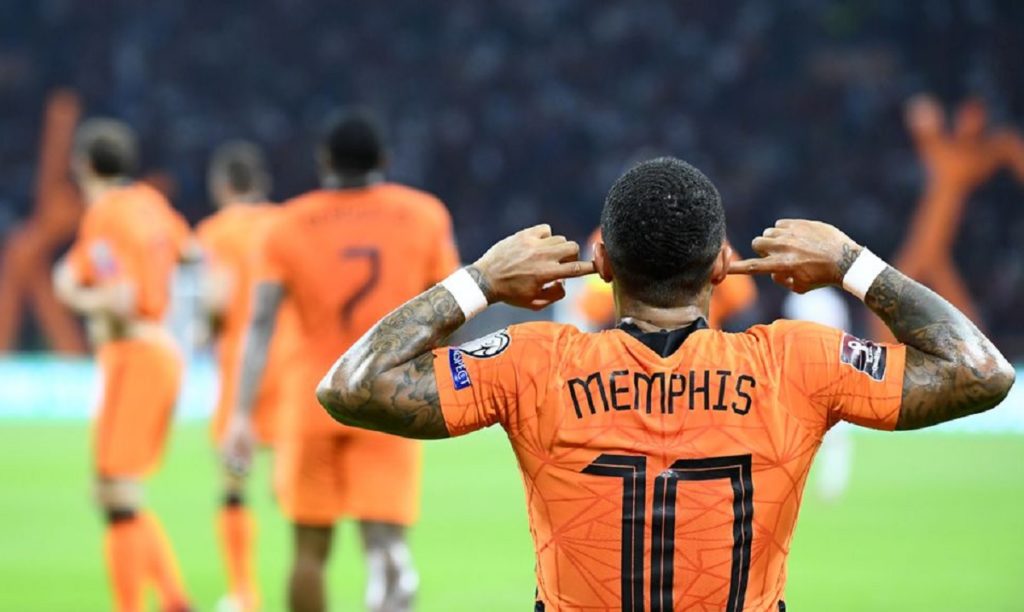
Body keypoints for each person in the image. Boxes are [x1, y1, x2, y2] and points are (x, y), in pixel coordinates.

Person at [316, 157, 1014, 610]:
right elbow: (979, 371)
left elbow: (353, 385)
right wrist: (850, 262)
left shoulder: (535, 365)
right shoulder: (794, 363)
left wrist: (480, 281)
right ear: (722, 267)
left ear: (602, 264)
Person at [222, 109, 460, 612]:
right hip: (391, 396)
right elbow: (452, 308)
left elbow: (259, 324)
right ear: (384, 160)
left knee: (308, 551)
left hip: (312, 399)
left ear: (324, 161)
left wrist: (241, 413)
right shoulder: (423, 216)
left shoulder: (287, 224)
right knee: (387, 546)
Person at [53, 118, 194, 612]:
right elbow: (188, 251)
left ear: (82, 165)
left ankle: (136, 604)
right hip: (159, 350)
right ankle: (174, 600)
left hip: (134, 353)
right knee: (116, 491)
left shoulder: (105, 213)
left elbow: (120, 294)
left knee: (117, 492)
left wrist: (71, 293)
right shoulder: (149, 203)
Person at [196, 141, 295, 612]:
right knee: (292, 484)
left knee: (234, 479)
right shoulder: (285, 224)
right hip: (288, 363)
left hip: (244, 367)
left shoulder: (217, 232)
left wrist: (204, 330)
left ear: (222, 186)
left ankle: (243, 592)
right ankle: (302, 579)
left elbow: (218, 298)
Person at [564, 227, 757, 331]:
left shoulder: (609, 238)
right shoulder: (706, 234)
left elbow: (595, 310)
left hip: (632, 368)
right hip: (701, 364)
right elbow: (741, 298)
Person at [781, 287, 853, 502]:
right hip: (834, 368)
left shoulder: (797, 300)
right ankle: (830, 487)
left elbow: (793, 340)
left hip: (806, 371)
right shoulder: (832, 300)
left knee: (795, 433)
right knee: (835, 437)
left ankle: (801, 485)